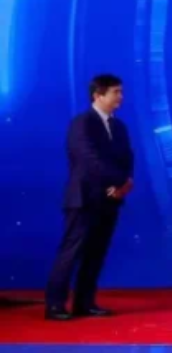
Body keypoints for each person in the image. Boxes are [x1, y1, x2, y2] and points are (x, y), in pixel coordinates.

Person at [45, 73, 135, 321]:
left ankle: (85, 303)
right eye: (116, 92)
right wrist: (117, 181)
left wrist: (124, 184)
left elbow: (127, 158)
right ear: (98, 95)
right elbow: (88, 160)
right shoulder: (82, 123)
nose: (121, 97)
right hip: (84, 198)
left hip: (110, 199)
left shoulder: (119, 126)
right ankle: (55, 304)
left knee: (96, 253)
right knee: (71, 251)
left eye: (121, 91)